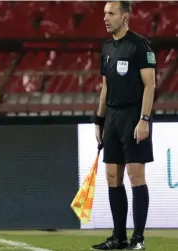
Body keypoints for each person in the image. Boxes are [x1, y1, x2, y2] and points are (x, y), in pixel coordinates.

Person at [92, 1, 156, 250]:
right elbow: (105, 87)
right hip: (113, 118)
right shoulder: (107, 46)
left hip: (133, 115)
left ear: (125, 16)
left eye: (111, 13)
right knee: (112, 177)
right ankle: (118, 237)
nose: (105, 18)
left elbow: (150, 85)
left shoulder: (139, 45)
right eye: (104, 14)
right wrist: (99, 120)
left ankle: (138, 239)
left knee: (135, 175)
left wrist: (144, 119)